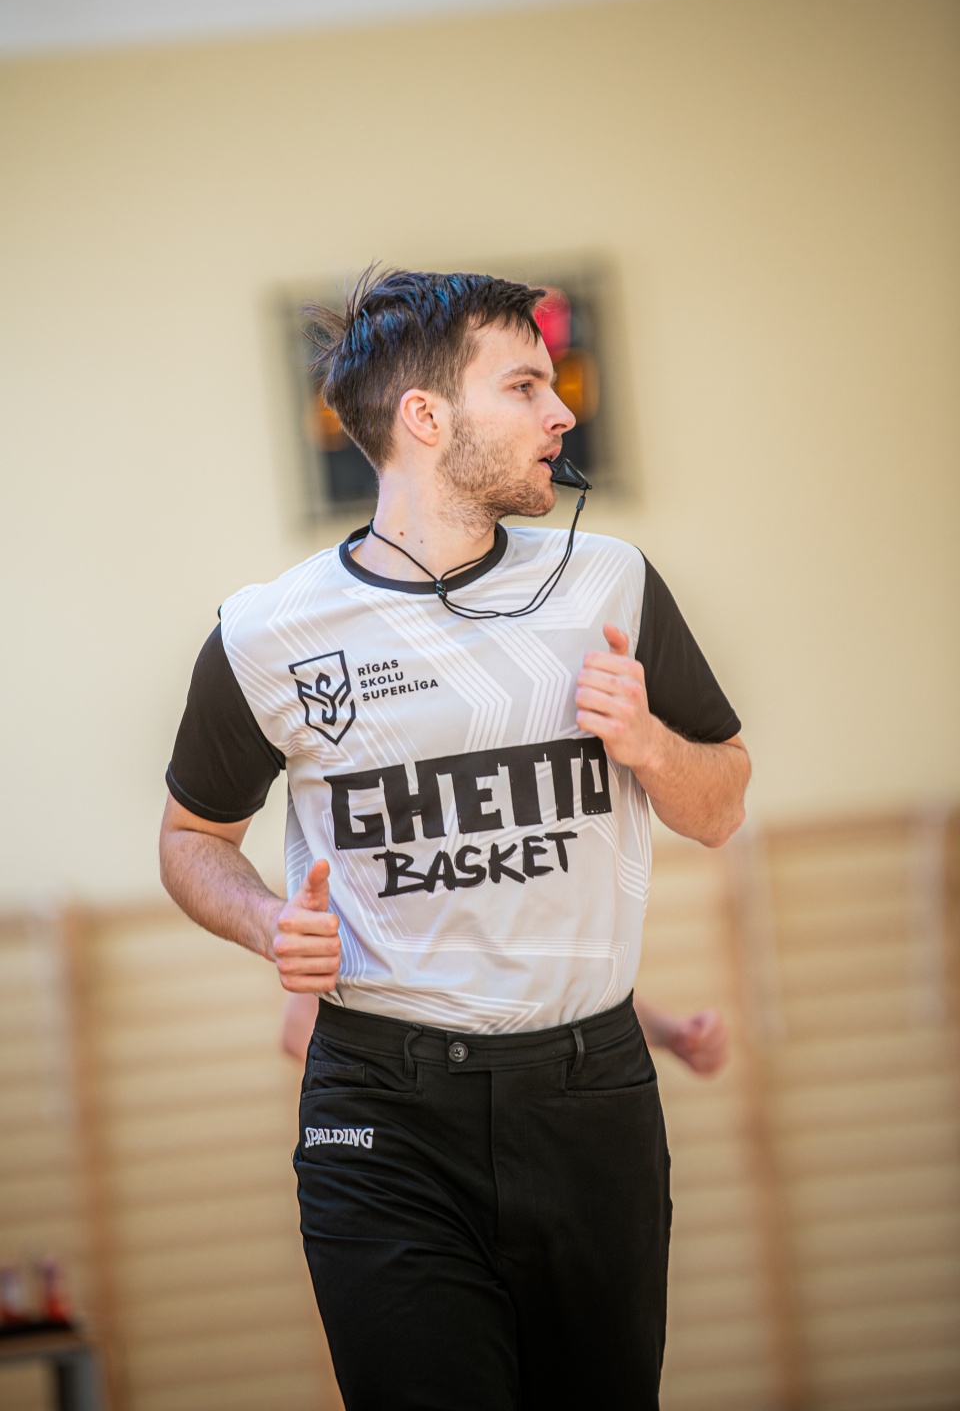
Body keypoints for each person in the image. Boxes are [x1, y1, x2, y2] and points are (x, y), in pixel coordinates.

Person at [159, 268, 750, 1411]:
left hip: (591, 1095)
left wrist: (647, 744)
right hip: (381, 1109)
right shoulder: (265, 634)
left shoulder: (611, 583)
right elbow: (191, 839)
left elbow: (721, 805)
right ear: (425, 417)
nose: (560, 414)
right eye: (525, 386)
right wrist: (267, 922)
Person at [282, 989, 731, 1078]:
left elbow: (559, 998)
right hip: (422, 1160)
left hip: (542, 1137)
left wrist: (670, 1033)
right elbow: (299, 1032)